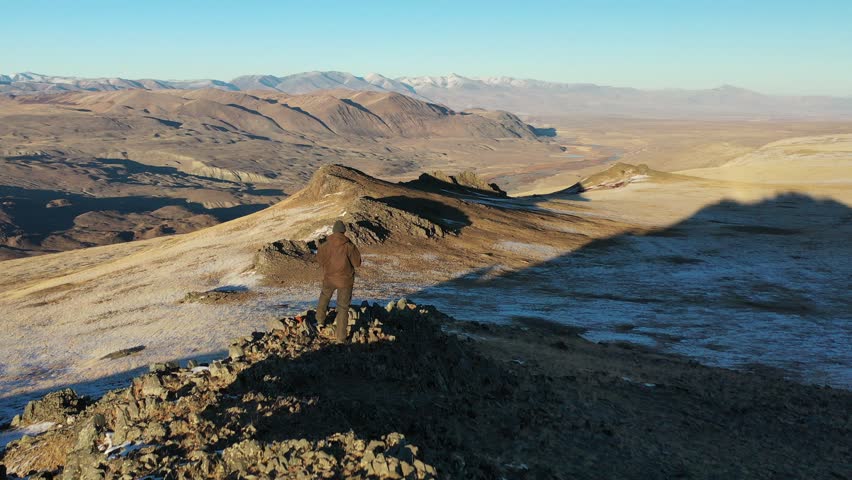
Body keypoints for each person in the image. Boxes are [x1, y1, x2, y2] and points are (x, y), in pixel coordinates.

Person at [315, 220, 362, 343]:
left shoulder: (326, 244)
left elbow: (320, 261)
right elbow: (357, 263)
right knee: (343, 307)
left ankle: (319, 320)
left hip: (329, 278)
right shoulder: (349, 245)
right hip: (345, 281)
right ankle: (341, 338)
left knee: (324, 297)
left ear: (334, 231)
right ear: (344, 231)